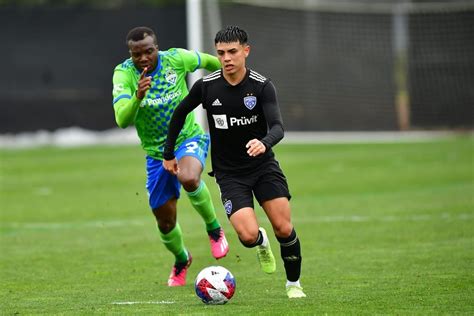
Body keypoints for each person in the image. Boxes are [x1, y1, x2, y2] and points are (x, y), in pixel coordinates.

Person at [163, 26, 306, 299]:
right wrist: (169, 152)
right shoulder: (206, 86)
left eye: (232, 51)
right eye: (220, 53)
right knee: (249, 236)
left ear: (245, 51)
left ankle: (293, 285)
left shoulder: (262, 86)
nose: (226, 58)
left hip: (263, 168)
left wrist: (264, 142)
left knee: (284, 228)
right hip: (230, 175)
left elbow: (278, 127)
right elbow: (179, 114)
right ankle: (261, 243)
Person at [112, 26, 229, 287]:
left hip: (188, 138)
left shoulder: (175, 59)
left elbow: (208, 61)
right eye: (137, 54)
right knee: (165, 222)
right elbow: (122, 119)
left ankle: (213, 228)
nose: (143, 58)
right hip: (156, 154)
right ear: (130, 53)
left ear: (157, 48)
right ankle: (181, 259)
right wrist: (137, 96)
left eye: (149, 52)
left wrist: (227, 78)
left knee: (188, 177)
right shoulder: (123, 74)